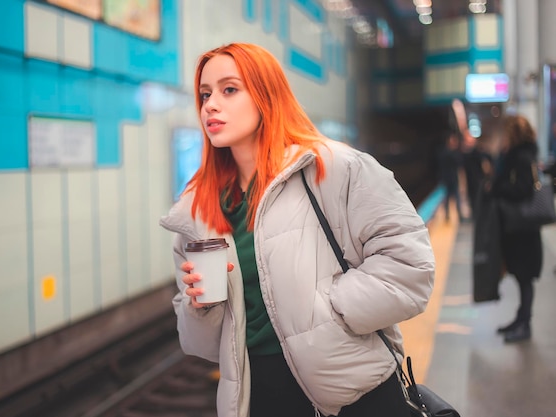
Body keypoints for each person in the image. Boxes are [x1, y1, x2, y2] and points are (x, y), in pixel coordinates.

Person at [159, 43, 435, 417]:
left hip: (352, 393)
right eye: (205, 94)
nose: (210, 105)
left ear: (266, 95)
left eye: (229, 90)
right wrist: (201, 307)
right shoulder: (199, 209)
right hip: (258, 397)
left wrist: (329, 312)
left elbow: (410, 269)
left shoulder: (334, 168)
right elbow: (201, 345)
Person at [488, 114, 543, 343]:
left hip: (523, 231)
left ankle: (525, 325)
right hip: (520, 230)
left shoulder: (520, 157)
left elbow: (523, 190)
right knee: (522, 278)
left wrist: (497, 189)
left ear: (514, 134)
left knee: (524, 278)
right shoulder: (520, 155)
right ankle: (520, 320)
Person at [438, 132, 465, 222]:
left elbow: (459, 163)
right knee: (447, 198)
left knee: (456, 198)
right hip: (447, 179)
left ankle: (459, 215)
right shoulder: (445, 152)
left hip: (453, 179)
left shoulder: (454, 153)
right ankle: (447, 215)